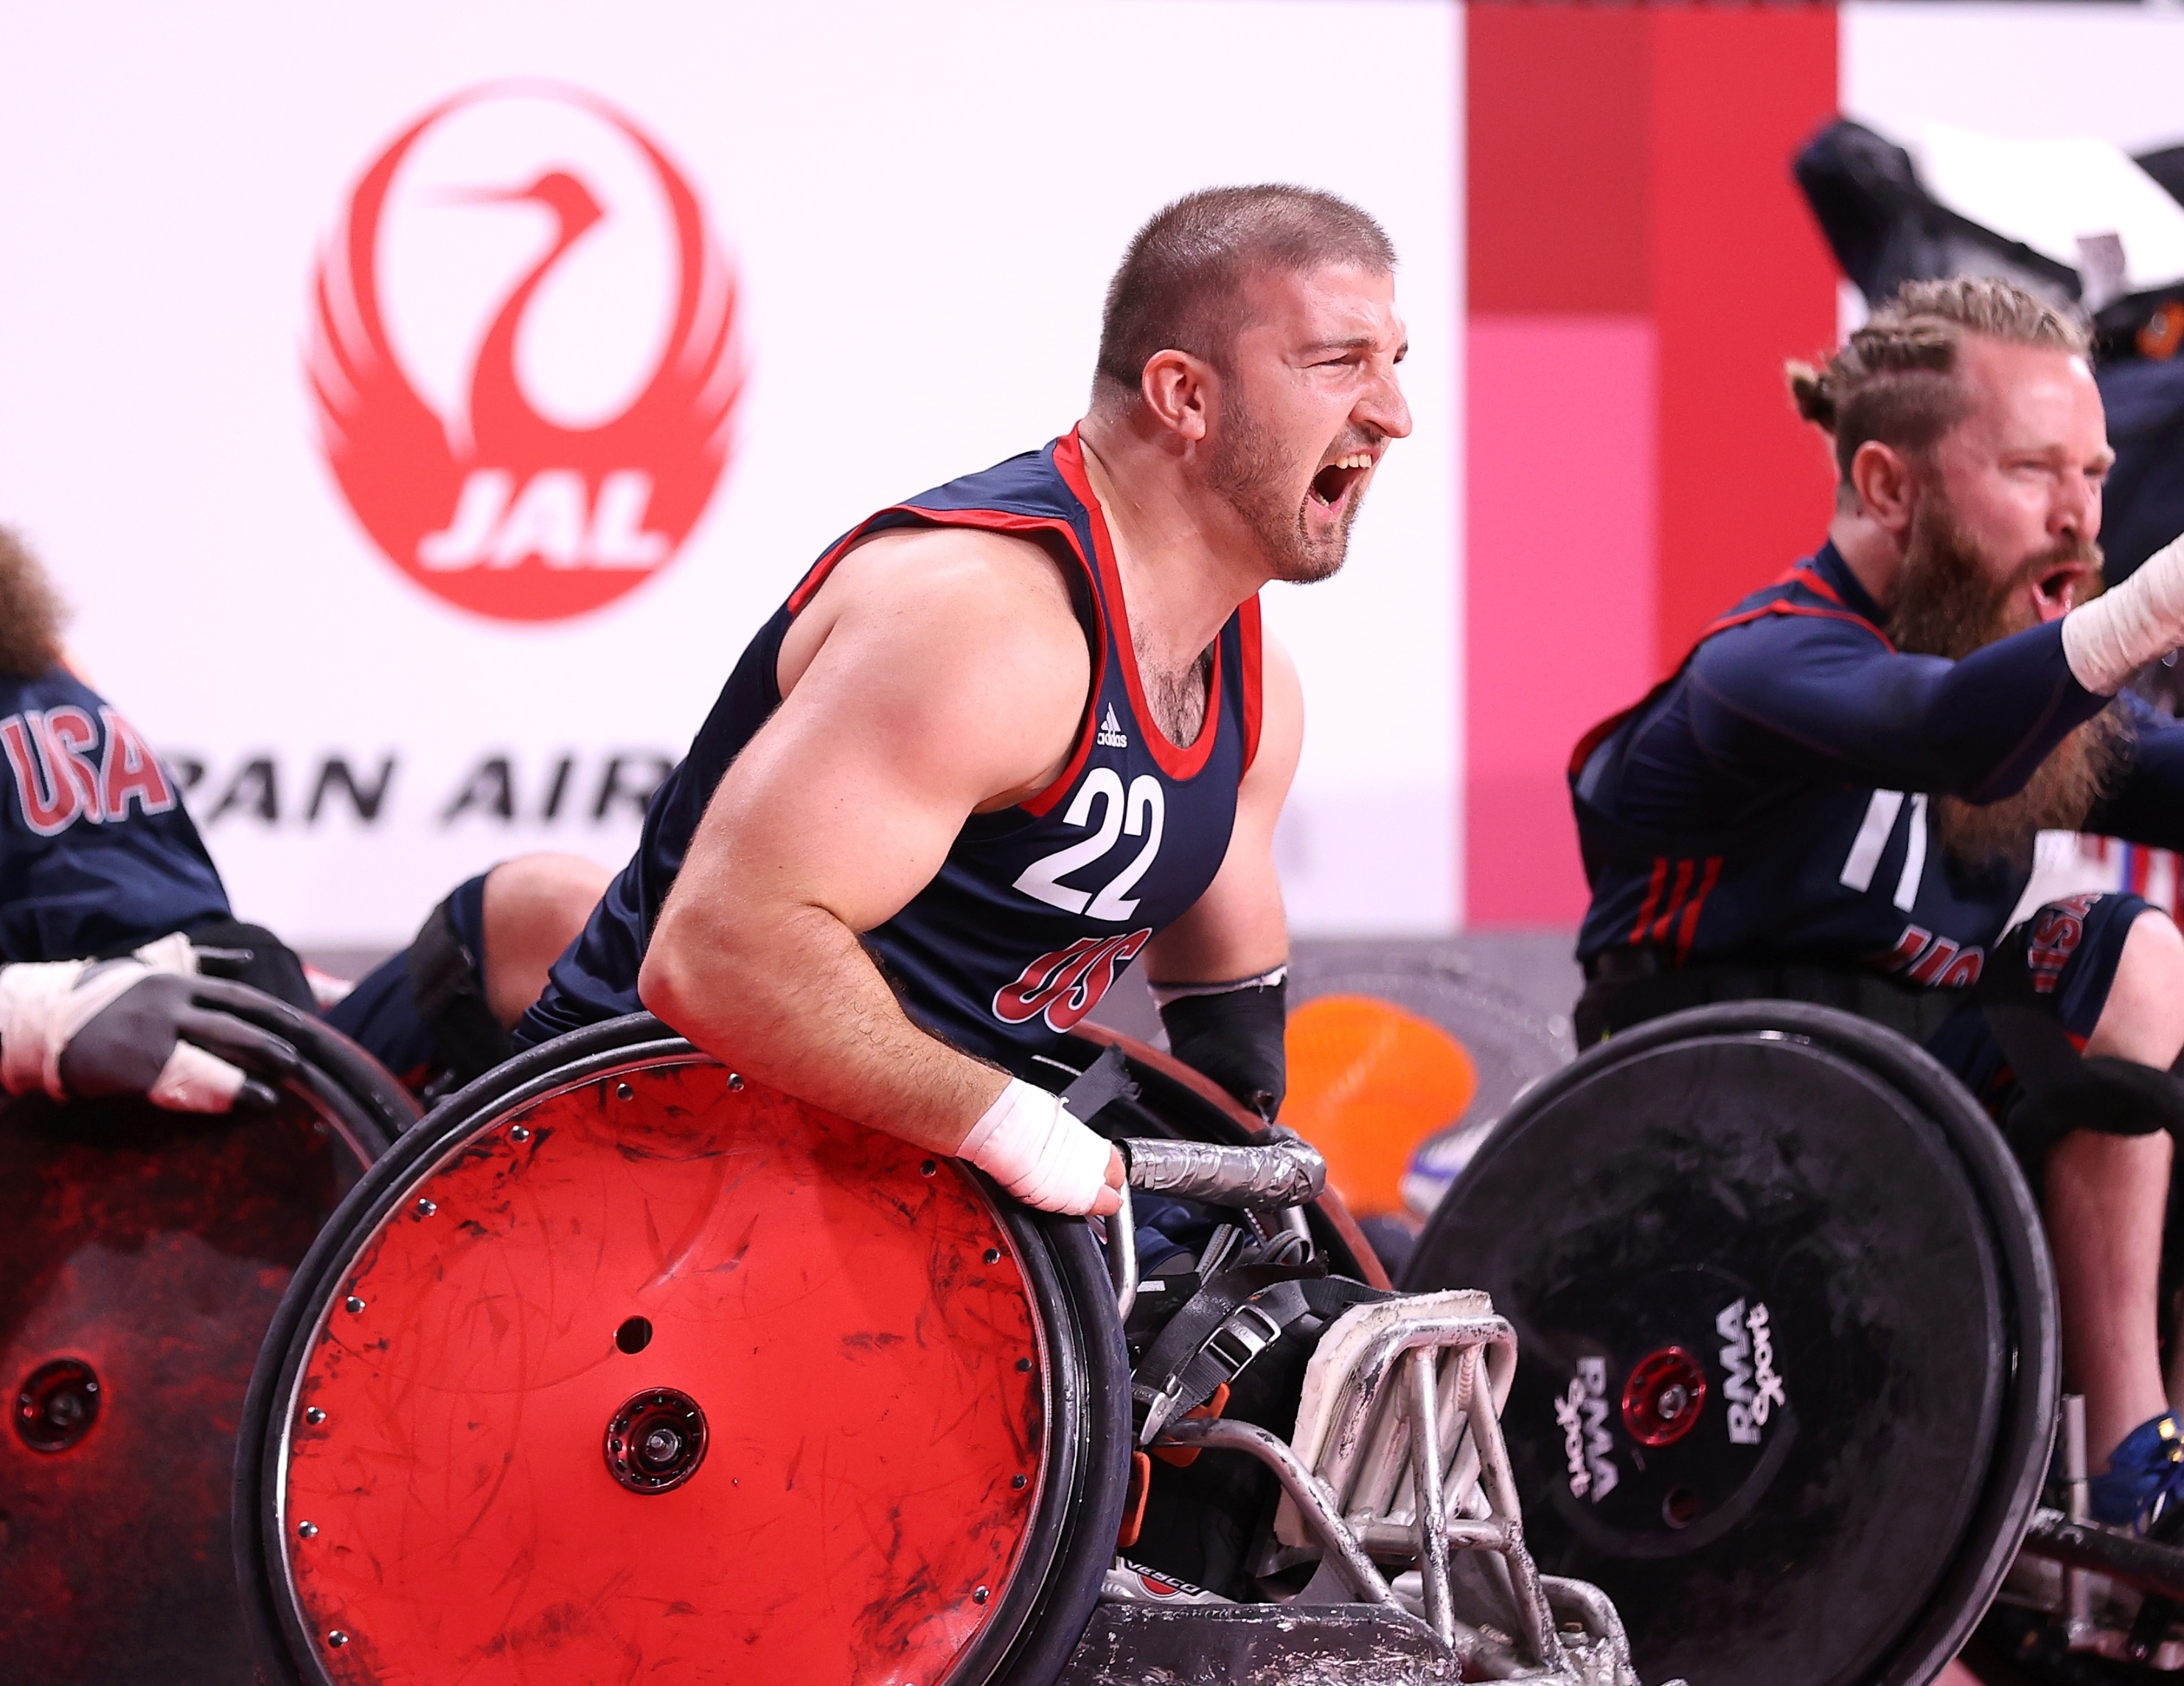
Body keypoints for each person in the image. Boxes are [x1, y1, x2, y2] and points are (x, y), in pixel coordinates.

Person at [1566, 276, 2184, 1531]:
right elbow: (1938, 732)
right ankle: (2128, 1453)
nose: (2081, 518)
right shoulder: (1763, 666)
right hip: (1718, 1141)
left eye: (2093, 472)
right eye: (2034, 472)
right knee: (2121, 953)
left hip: (1949, 1152)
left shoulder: (2028, 700)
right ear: (1885, 487)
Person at [519, 184, 1412, 1230]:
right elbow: (720, 951)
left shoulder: (1256, 685)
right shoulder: (989, 622)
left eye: (1395, 364)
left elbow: (1226, 1013)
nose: (1393, 415)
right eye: (1339, 363)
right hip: (644, 1157)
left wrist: (1251, 1193)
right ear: (1184, 394)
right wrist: (1013, 1125)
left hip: (895, 1177)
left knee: (1343, 1290)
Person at [0, 523, 606, 1110]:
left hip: (218, 1013)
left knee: (553, 913)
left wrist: (285, 983)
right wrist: (40, 1016)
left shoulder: (38, 653)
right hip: (81, 1103)